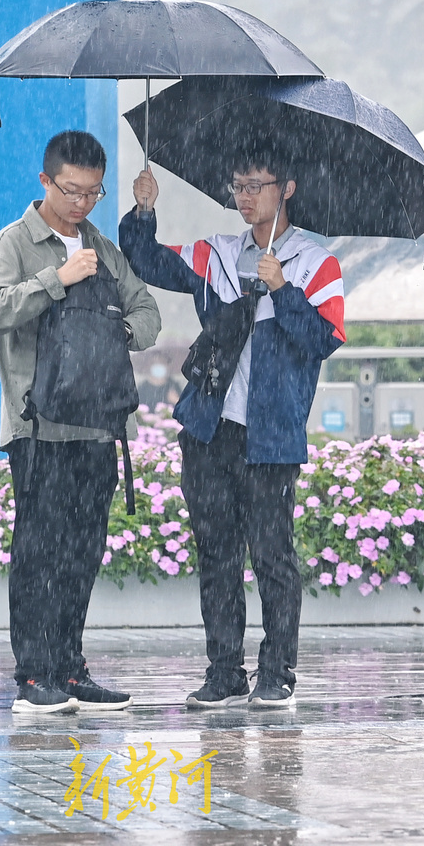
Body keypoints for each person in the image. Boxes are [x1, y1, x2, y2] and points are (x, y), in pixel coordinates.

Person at [119, 142, 345, 709]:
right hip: (209, 429)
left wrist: (284, 290)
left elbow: (322, 341)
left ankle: (277, 671)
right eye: (237, 186)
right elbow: (145, 260)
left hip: (271, 435)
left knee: (272, 555)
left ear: (285, 188)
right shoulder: (216, 254)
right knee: (216, 552)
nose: (244, 198)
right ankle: (224, 671)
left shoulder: (316, 264)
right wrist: (144, 212)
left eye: (255, 186)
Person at [0, 131, 161, 714]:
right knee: (38, 552)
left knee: (83, 551)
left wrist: (118, 332)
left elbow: (147, 312)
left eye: (93, 193)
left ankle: (69, 667)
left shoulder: (104, 248)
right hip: (38, 427)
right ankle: (33, 675)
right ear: (45, 181)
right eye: (71, 190)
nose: (81, 203)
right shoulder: (16, 243)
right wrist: (58, 279)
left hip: (96, 427)